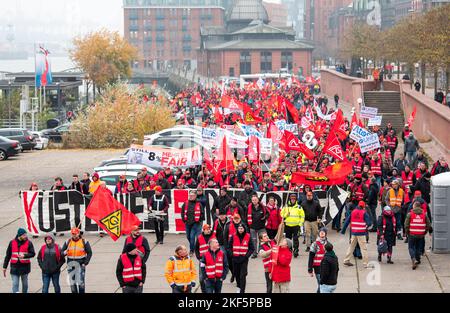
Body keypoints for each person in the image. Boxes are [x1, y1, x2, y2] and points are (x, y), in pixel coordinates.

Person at [2, 228, 36, 293]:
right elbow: (8, 256)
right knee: (15, 284)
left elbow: (33, 253)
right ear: (19, 235)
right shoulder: (11, 243)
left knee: (25, 285)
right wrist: (4, 267)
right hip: (14, 268)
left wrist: (25, 256)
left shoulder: (29, 243)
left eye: (26, 234)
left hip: (25, 268)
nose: (26, 236)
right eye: (24, 235)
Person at [341, 201, 372, 268]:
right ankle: (365, 263)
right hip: (361, 233)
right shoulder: (364, 213)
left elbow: (347, 221)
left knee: (351, 246)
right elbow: (369, 223)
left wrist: (343, 231)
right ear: (363, 206)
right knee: (363, 248)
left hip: (354, 232)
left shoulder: (353, 212)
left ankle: (346, 260)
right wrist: (365, 227)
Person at [61, 227, 93, 293]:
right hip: (70, 265)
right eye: (72, 234)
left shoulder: (84, 241)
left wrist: (86, 262)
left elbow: (89, 252)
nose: (74, 235)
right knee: (72, 284)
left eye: (75, 234)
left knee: (81, 283)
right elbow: (61, 252)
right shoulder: (68, 241)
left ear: (78, 233)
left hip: (81, 264)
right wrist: (64, 253)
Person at [227, 223, 255, 293]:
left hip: (244, 259)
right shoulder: (233, 236)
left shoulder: (248, 236)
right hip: (235, 259)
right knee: (237, 274)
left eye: (242, 228)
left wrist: (246, 256)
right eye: (239, 228)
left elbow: (252, 248)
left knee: (243, 275)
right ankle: (238, 287)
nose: (240, 230)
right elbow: (229, 247)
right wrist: (232, 255)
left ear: (244, 229)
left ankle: (242, 291)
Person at [405, 201, 431, 270]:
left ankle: (413, 258)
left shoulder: (410, 214)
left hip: (412, 234)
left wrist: (407, 232)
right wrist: (424, 232)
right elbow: (428, 225)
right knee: (418, 248)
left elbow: (406, 225)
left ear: (414, 206)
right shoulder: (424, 214)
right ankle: (417, 259)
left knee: (411, 247)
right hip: (421, 234)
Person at [181, 190, 205, 256]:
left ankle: (192, 251)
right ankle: (194, 246)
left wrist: (199, 221)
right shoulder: (185, 203)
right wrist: (184, 220)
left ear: (195, 196)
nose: (190, 197)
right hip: (188, 223)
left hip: (196, 223)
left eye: (192, 195)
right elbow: (182, 212)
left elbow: (202, 213)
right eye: (190, 195)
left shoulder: (199, 204)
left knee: (192, 237)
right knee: (188, 236)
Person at [281, 193, 305, 258]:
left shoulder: (299, 207)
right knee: (288, 239)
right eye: (292, 199)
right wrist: (286, 214)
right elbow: (281, 215)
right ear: (290, 199)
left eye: (294, 199)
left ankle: (296, 250)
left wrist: (300, 224)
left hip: (296, 226)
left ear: (296, 199)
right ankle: (289, 250)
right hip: (287, 226)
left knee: (295, 239)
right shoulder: (286, 206)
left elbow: (302, 216)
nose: (293, 200)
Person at [195, 224, 215, 293]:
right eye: (207, 229)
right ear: (203, 230)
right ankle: (203, 291)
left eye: (209, 229)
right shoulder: (199, 237)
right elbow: (196, 248)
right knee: (201, 278)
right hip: (202, 261)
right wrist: (198, 257)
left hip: (212, 260)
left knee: (211, 277)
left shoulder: (214, 237)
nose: (209, 230)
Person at [308, 228, 328, 293]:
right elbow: (311, 257)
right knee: (322, 285)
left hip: (326, 268)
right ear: (318, 233)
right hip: (318, 267)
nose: (322, 233)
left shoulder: (328, 244)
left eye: (323, 232)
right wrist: (310, 269)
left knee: (323, 285)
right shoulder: (314, 244)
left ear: (326, 234)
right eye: (321, 232)